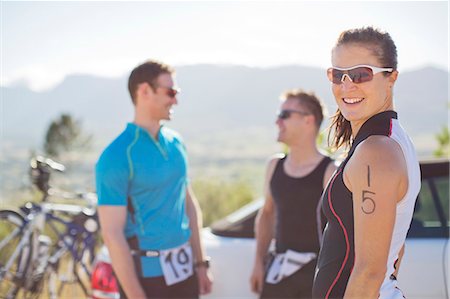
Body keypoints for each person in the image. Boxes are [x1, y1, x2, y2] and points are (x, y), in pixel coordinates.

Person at [312, 27, 421, 299]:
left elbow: (370, 272)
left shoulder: (376, 151)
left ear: (391, 77)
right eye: (338, 75)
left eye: (361, 74)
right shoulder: (388, 139)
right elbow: (396, 251)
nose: (347, 85)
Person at [96, 60, 213, 298]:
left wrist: (201, 264)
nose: (175, 100)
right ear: (144, 91)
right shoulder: (116, 156)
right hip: (147, 277)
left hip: (185, 270)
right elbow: (112, 234)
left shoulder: (176, 142)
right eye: (170, 92)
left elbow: (188, 203)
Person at [250, 89, 336, 298]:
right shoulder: (274, 165)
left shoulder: (331, 170)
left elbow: (342, 232)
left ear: (308, 121)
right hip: (278, 274)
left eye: (284, 115)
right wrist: (259, 263)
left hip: (316, 278)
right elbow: (267, 214)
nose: (277, 122)